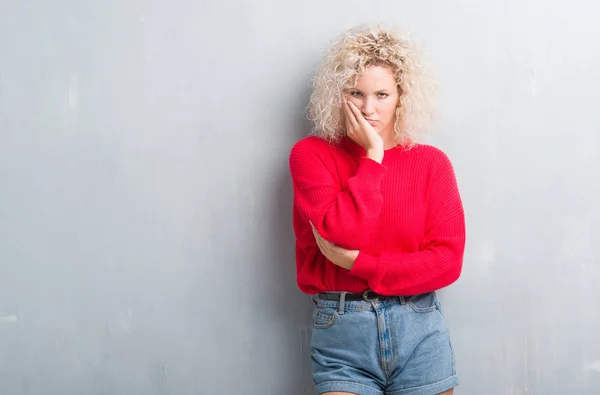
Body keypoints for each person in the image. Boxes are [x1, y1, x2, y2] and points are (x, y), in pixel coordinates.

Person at [288, 23, 466, 395]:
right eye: (356, 93)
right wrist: (372, 156)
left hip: (419, 328)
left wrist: (359, 264)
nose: (369, 108)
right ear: (338, 95)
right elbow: (342, 232)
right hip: (343, 331)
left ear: (401, 96)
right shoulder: (311, 156)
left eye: (382, 94)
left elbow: (446, 262)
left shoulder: (432, 163)